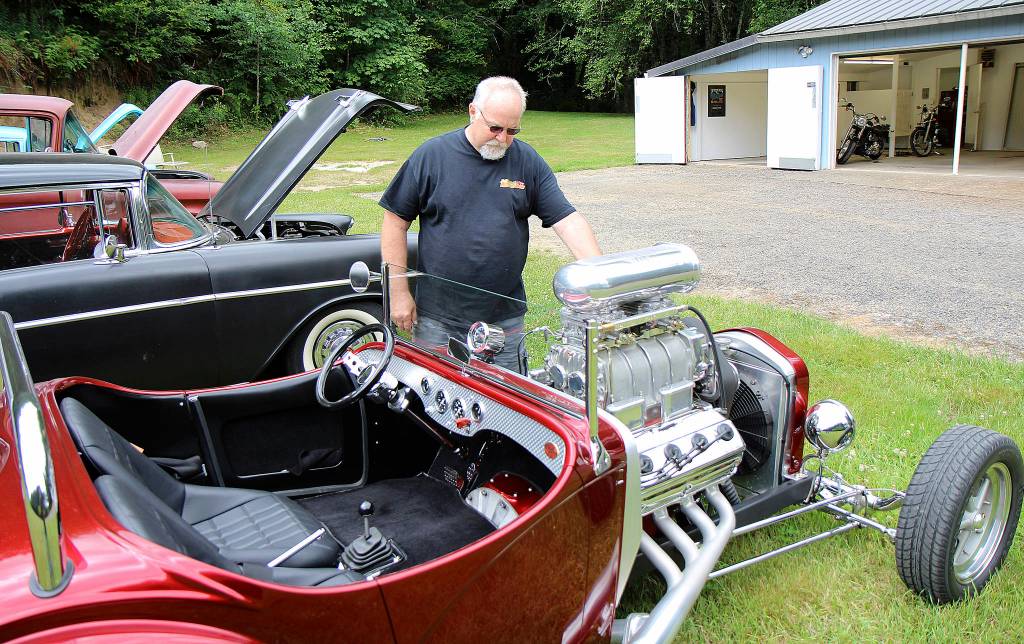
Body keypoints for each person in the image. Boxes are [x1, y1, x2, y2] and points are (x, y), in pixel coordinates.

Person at [379, 76, 600, 373]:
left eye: (512, 130)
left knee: (508, 403)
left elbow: (567, 220)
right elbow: (395, 221)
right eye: (495, 127)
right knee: (436, 400)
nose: (502, 138)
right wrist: (399, 292)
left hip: (503, 319)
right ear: (473, 111)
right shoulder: (432, 156)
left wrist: (601, 276)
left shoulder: (527, 161)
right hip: (438, 318)